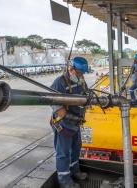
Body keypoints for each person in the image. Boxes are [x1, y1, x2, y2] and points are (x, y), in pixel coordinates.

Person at [50, 57, 89, 188]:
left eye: (83, 73)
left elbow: (86, 94)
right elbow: (57, 107)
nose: (81, 76)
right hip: (63, 125)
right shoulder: (59, 83)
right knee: (63, 153)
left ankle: (75, 171)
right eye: (79, 73)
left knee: (76, 149)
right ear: (71, 69)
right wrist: (72, 117)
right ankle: (64, 180)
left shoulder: (80, 80)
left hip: (76, 124)